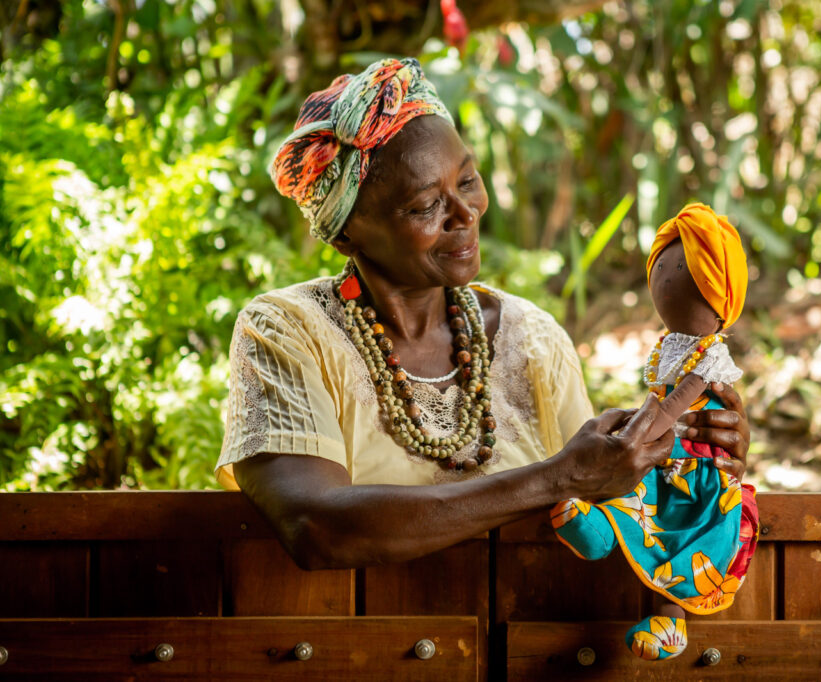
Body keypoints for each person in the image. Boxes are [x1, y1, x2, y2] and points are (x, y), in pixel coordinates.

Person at [216, 57, 751, 571]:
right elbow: (315, 527)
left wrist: (691, 466)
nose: (465, 213)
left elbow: (603, 517)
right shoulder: (287, 332)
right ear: (347, 233)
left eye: (467, 180)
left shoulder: (533, 339)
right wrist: (556, 478)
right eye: (425, 205)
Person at [551, 203, 758, 660]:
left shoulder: (709, 356)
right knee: (633, 489)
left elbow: (678, 401)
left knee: (685, 531)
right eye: (662, 266)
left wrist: (644, 426)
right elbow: (657, 399)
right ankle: (600, 532)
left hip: (697, 466)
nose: (665, 278)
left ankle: (670, 620)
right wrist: (641, 426)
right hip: (663, 453)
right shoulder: (670, 347)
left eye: (679, 268)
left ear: (719, 293)